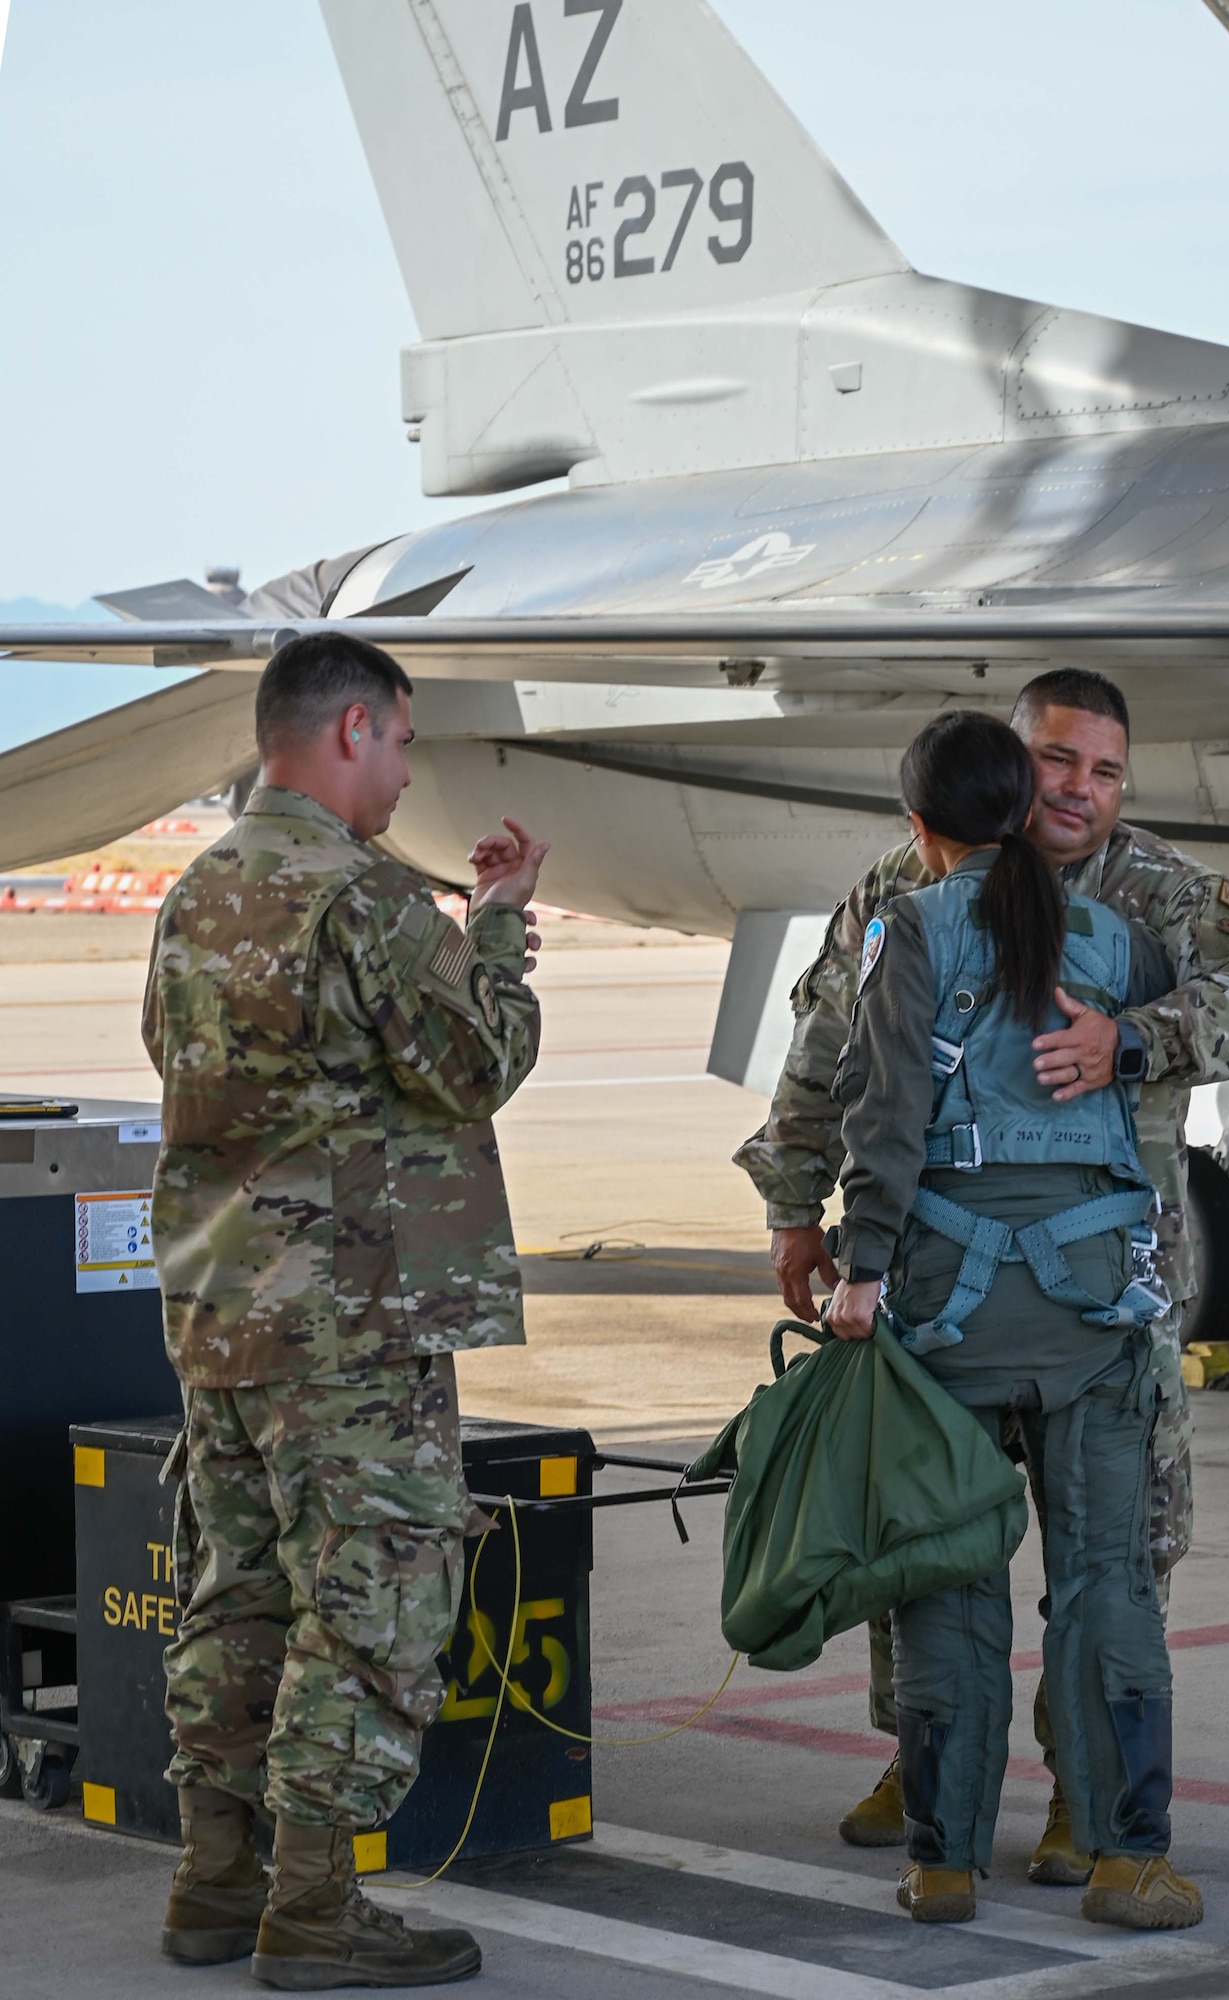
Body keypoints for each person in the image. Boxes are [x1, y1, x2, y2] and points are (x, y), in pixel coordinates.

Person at [735, 668, 1229, 1883]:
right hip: (967, 1270)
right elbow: (827, 1052)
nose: (1078, 791)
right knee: (926, 1533)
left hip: (1112, 1286)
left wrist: (1135, 1036)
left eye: (1103, 770)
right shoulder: (902, 888)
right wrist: (792, 1209)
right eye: (1056, 761)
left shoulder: (1154, 892)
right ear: (1010, 755)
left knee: (1120, 1554)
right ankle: (936, 1766)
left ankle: (1069, 1793)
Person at [143, 632, 547, 1990]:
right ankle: (313, 1907)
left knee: (238, 1589)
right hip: (351, 1322)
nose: (406, 772)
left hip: (220, 1305)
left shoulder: (196, 889)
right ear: (355, 729)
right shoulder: (361, 897)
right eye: (406, 744)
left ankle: (214, 1879)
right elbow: (475, 1061)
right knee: (369, 1598)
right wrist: (496, 929)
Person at [828, 709, 1199, 1928]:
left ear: (918, 825)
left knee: (948, 1580)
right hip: (1095, 1307)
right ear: (1021, 810)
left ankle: (941, 1861)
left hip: (947, 1307)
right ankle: (1119, 1856)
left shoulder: (909, 927)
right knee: (1105, 1581)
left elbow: (882, 1118)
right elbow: (1189, 1007)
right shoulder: (1108, 934)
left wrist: (858, 1274)